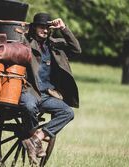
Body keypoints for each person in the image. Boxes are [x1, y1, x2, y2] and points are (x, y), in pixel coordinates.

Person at [20, 13, 81, 164]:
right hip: (30, 90)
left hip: (47, 94)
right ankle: (34, 138)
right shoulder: (26, 42)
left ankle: (35, 139)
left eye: (47, 28)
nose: (45, 30)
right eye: (41, 27)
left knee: (67, 112)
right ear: (34, 28)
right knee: (28, 105)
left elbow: (76, 49)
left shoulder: (55, 45)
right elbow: (17, 38)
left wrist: (63, 28)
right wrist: (24, 29)